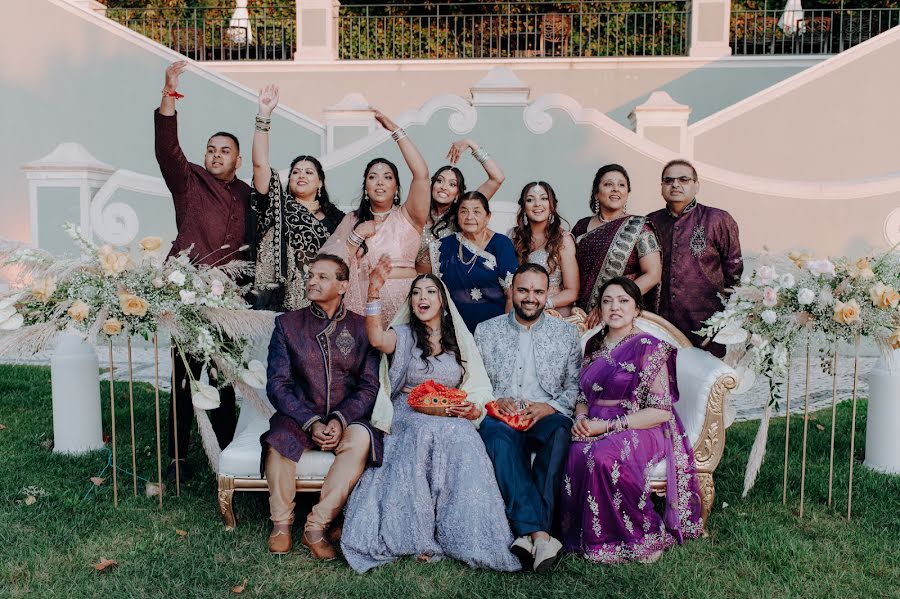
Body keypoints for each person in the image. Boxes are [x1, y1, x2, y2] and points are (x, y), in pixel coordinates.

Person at [340, 257, 521, 573]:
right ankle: (417, 532)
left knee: (465, 435)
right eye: (416, 293)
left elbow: (473, 385)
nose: (422, 298)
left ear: (443, 301)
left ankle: (468, 533)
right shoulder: (404, 335)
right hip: (408, 411)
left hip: (449, 414)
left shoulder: (457, 342)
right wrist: (373, 293)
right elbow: (376, 340)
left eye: (430, 292)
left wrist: (472, 409)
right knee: (427, 431)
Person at [561, 276, 703, 564]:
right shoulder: (592, 347)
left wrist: (610, 426)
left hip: (641, 424)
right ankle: (592, 539)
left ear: (637, 309)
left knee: (603, 455)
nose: (615, 307)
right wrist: (581, 417)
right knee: (577, 451)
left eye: (623, 301)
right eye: (607, 301)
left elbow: (661, 411)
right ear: (599, 309)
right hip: (595, 420)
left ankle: (643, 534)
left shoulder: (650, 347)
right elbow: (581, 395)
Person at [154, 60, 251, 481]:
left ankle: (227, 451)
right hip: (190, 293)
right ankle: (178, 457)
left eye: (224, 150)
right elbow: (166, 148)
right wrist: (169, 94)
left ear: (238, 159)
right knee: (185, 376)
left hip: (232, 299)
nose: (215, 155)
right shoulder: (188, 180)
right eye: (210, 149)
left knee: (227, 375)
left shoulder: (250, 195)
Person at [261, 254, 382, 557]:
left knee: (362, 439)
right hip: (300, 414)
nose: (311, 281)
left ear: (343, 285)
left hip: (345, 418)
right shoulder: (287, 325)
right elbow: (277, 384)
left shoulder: (361, 328)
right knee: (279, 440)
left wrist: (340, 420)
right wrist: (311, 421)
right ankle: (281, 523)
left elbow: (370, 385)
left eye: (322, 277)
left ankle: (316, 526)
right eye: (310, 275)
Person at [474, 264, 582, 572]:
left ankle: (527, 533)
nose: (530, 298)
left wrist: (549, 407)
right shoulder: (487, 330)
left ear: (547, 295)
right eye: (523, 290)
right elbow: (475, 379)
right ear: (511, 291)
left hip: (546, 411)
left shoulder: (565, 333)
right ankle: (540, 535)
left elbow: (576, 383)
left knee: (560, 433)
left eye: (538, 292)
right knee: (497, 437)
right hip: (502, 413)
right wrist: (496, 401)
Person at [319, 111, 430, 325]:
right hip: (367, 308)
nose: (380, 182)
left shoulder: (409, 216)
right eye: (373, 177)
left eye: (387, 178)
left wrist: (396, 132)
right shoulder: (353, 221)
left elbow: (422, 175)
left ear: (396, 187)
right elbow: (333, 263)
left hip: (408, 307)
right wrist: (357, 235)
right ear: (366, 187)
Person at [249, 83, 344, 311]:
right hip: (277, 302)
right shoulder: (276, 206)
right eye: (295, 172)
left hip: (323, 303)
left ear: (320, 182)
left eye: (309, 172)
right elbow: (260, 165)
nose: (301, 175)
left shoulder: (338, 220)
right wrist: (264, 115)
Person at [647, 159, 743, 357]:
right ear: (662, 187)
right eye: (669, 180)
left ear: (696, 185)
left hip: (706, 324)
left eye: (684, 179)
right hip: (661, 323)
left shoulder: (717, 219)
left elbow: (734, 272)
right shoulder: (651, 221)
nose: (675, 184)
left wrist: (727, 318)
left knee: (706, 384)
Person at [573, 164, 661, 328]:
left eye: (621, 185)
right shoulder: (580, 226)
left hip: (620, 315)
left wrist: (610, 304)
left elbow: (653, 274)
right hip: (581, 316)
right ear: (596, 192)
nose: (615, 189)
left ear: (627, 193)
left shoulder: (639, 227)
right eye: (608, 184)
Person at [427, 191, 519, 332]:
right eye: (464, 211)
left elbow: (511, 294)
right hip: (453, 331)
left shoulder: (500, 244)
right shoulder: (443, 247)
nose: (470, 217)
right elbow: (430, 289)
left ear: (488, 217)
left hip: (493, 329)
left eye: (477, 212)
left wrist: (505, 333)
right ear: (457, 216)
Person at [416, 139, 505, 271]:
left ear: (458, 193)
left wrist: (471, 144)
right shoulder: (417, 211)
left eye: (452, 184)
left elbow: (497, 178)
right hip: (417, 282)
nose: (444, 187)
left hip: (449, 284)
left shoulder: (462, 213)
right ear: (432, 185)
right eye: (440, 181)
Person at [509, 181, 579, 317]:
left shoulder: (563, 240)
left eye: (544, 198)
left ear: (552, 206)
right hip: (519, 311)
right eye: (530, 200)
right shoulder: (512, 237)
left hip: (553, 311)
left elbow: (572, 291)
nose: (537, 204)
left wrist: (540, 304)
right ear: (523, 207)